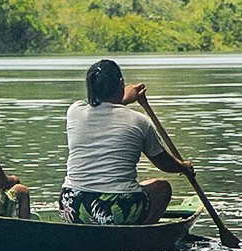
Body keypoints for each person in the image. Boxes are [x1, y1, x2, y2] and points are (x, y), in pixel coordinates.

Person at [59, 59, 193, 225]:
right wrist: (183, 167)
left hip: (71, 204)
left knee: (142, 186)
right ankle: (140, 235)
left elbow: (104, 108)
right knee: (161, 188)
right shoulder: (139, 121)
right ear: (121, 83)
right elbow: (164, 163)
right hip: (116, 209)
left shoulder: (74, 111)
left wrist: (123, 99)